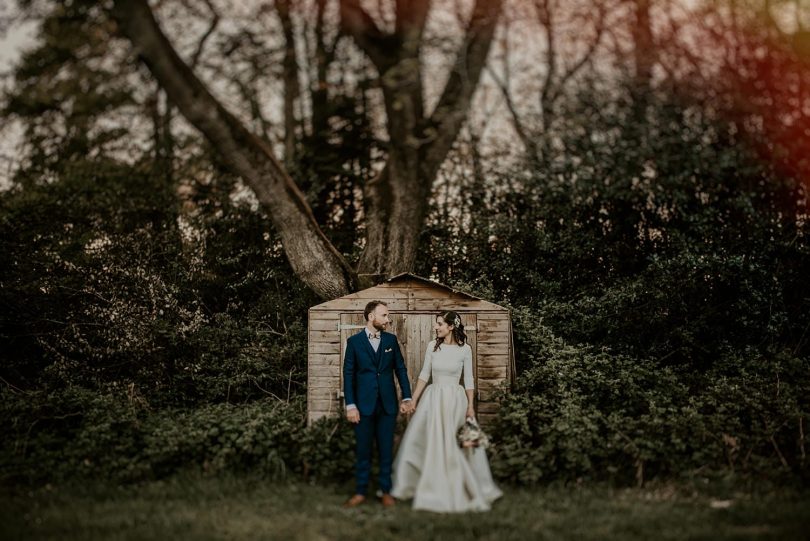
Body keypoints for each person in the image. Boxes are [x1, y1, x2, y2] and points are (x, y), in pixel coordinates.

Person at [391, 311, 502, 512]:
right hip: (434, 398)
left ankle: (460, 485)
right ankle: (430, 485)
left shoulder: (465, 349)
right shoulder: (432, 347)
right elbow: (425, 374)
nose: (436, 327)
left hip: (455, 401)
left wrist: (470, 407)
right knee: (430, 441)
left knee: (456, 443)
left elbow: (468, 379)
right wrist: (413, 400)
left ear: (451, 326)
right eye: (437, 324)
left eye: (440, 324)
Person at [343, 300, 414, 508]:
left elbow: (400, 369)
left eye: (387, 315)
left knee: (386, 451)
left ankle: (386, 490)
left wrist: (407, 396)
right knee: (363, 451)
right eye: (384, 315)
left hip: (387, 405)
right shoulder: (354, 342)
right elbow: (348, 375)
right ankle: (360, 491)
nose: (388, 319)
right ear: (371, 316)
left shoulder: (391, 340)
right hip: (362, 407)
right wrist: (351, 405)